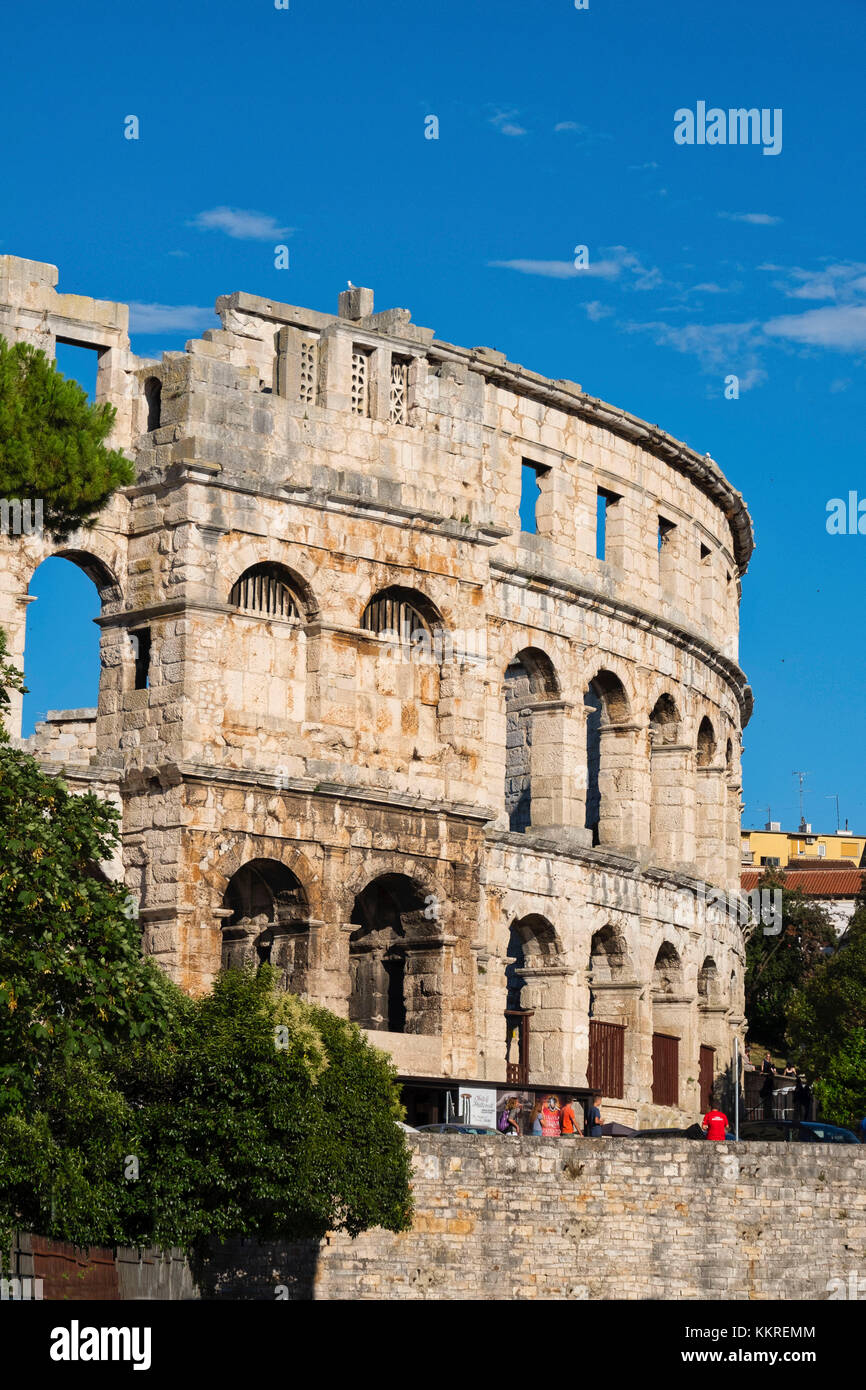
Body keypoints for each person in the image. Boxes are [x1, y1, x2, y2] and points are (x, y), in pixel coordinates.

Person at [760, 1052, 776, 1119]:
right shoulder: (764, 1061)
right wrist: (762, 1071)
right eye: (767, 1056)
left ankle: (773, 1072)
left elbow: (772, 1067)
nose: (768, 1057)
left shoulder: (770, 1062)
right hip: (766, 1071)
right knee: (770, 1068)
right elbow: (762, 1066)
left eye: (769, 1056)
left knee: (772, 1067)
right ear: (766, 1056)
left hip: (769, 1071)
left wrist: (774, 1070)